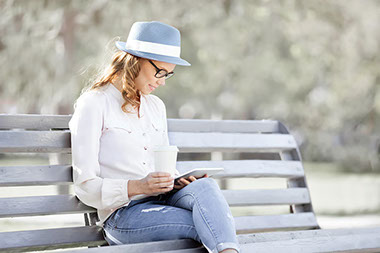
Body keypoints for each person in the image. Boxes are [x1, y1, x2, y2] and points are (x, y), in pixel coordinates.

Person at [68, 21, 240, 253]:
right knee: (211, 223)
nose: (162, 81)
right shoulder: (94, 104)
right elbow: (85, 186)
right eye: (159, 71)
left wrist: (176, 181)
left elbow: (160, 165)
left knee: (206, 186)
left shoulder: (156, 106)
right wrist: (138, 186)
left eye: (169, 74)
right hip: (124, 215)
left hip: (163, 200)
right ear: (134, 60)